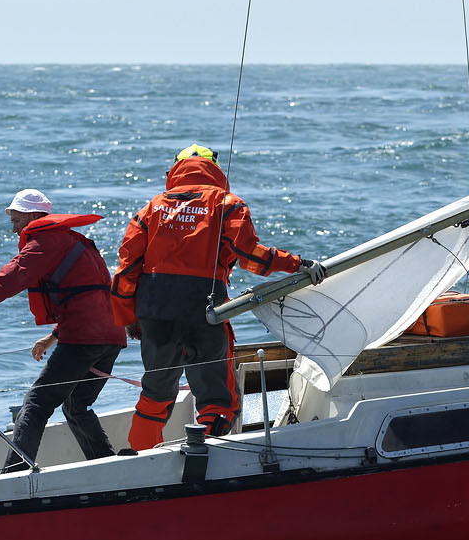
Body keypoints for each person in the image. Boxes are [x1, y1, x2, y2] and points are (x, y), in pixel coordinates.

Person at [111, 144, 323, 451]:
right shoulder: (226, 203)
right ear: (215, 169)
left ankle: (139, 456)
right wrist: (298, 264)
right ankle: (206, 454)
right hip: (204, 310)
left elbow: (126, 269)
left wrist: (127, 318)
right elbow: (252, 256)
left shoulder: (151, 208)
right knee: (219, 398)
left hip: (154, 312)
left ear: (175, 170)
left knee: (156, 392)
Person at [0, 188, 125, 470]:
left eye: (16, 219)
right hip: (111, 336)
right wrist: (54, 335)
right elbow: (88, 297)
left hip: (85, 338)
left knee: (35, 402)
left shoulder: (46, 240)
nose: (13, 228)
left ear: (33, 215)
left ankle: (15, 472)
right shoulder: (70, 240)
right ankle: (108, 466)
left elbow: (9, 279)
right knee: (75, 405)